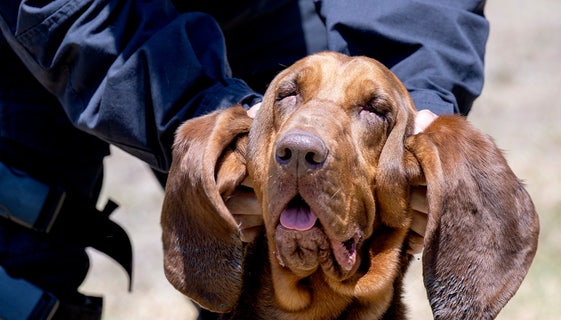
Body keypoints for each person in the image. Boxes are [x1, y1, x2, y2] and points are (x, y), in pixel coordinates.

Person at [0, 0, 489, 319]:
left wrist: (410, 96)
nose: (302, 143)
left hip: (263, 12)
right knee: (22, 288)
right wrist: (207, 115)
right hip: (56, 23)